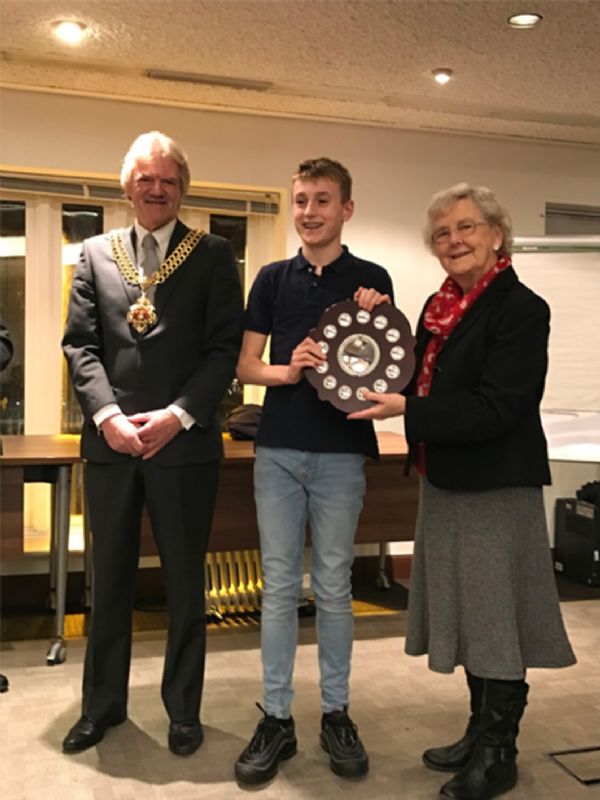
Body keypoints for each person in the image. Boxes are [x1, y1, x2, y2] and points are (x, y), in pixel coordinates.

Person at [349, 182, 575, 800]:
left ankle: (499, 753)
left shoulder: (522, 309)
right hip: (444, 481)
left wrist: (409, 413)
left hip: (497, 485)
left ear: (496, 234)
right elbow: (404, 371)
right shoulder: (437, 306)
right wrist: (367, 322)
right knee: (471, 616)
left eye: (467, 227)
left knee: (497, 621)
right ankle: (479, 732)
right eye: (443, 233)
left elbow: (497, 407)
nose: (454, 240)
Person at [61, 131, 243, 756]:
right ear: (127, 188)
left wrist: (180, 414)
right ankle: (102, 707)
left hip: (184, 446)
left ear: (182, 188)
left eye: (168, 179)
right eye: (146, 179)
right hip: (110, 445)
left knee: (185, 583)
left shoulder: (214, 254)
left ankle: (183, 712)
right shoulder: (94, 253)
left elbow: (224, 350)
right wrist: (108, 414)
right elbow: (80, 347)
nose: (157, 189)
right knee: (106, 580)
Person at [234, 157, 394, 784]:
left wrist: (378, 316)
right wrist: (288, 369)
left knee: (332, 587)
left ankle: (336, 713)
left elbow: (386, 369)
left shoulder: (373, 279)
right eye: (300, 200)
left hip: (341, 454)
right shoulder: (272, 279)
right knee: (278, 589)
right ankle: (276, 718)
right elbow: (247, 367)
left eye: (322, 200)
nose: (309, 211)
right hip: (277, 449)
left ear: (345, 209)